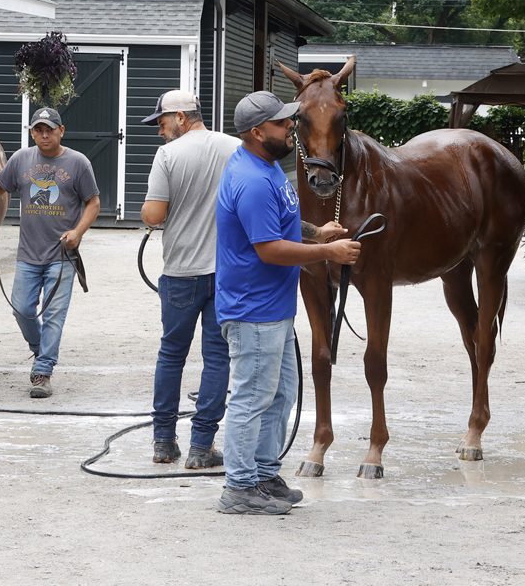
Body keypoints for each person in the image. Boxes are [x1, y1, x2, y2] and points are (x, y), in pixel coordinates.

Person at [214, 90, 360, 515]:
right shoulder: (253, 181)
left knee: (278, 396)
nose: (291, 127)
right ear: (258, 132)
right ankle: (239, 488)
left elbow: (283, 222)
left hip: (270, 308)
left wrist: (317, 233)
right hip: (253, 311)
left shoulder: (268, 167)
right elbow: (270, 249)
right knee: (252, 398)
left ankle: (262, 474)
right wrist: (327, 254)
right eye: (282, 123)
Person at [140, 89, 240, 469]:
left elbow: (153, 214)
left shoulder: (168, 155)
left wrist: (151, 210)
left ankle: (164, 443)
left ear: (181, 117)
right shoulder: (234, 148)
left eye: (162, 122)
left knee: (171, 354)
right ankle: (202, 447)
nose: (159, 131)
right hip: (225, 272)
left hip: (181, 272)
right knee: (217, 358)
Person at [0, 107, 99, 398]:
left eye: (49, 129)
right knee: (22, 309)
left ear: (61, 131)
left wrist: (77, 233)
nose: (44, 135)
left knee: (55, 315)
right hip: (28, 254)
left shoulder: (78, 163)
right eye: (38, 130)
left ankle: (42, 371)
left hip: (62, 255)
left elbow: (93, 202)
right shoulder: (21, 159)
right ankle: (40, 348)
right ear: (32, 132)